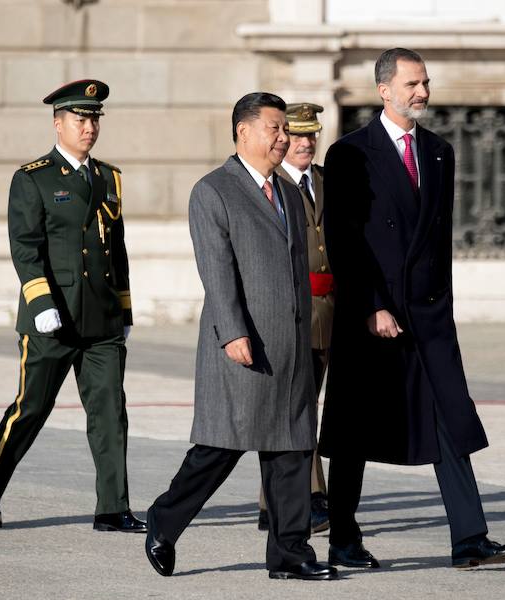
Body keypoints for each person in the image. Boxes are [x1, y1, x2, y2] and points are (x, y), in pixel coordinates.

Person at [320, 48, 505, 569]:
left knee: (449, 418)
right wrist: (371, 306)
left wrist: (442, 308)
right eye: (412, 84)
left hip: (427, 316)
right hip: (373, 317)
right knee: (355, 431)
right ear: (384, 90)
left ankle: (470, 540)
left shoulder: (438, 150)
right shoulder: (349, 154)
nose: (422, 93)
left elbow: (441, 241)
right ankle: (342, 537)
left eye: (426, 83)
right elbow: (344, 241)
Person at [144, 92, 337, 581]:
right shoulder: (214, 191)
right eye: (274, 128)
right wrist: (232, 332)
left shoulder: (291, 192)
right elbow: (217, 271)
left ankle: (291, 555)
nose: (283, 138)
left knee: (292, 450)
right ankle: (164, 523)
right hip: (243, 344)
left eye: (284, 130)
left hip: (290, 344)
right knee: (220, 449)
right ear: (243, 131)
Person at [0, 79, 145, 533]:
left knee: (110, 411)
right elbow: (24, 247)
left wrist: (124, 309)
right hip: (53, 317)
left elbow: (116, 249)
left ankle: (112, 507)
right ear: (58, 123)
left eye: (94, 120)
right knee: (31, 409)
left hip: (101, 318)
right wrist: (41, 301)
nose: (89, 128)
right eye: (80, 119)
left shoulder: (108, 177)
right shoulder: (33, 178)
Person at [255, 102, 331, 534]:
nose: (304, 144)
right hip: (294, 311)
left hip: (331, 312)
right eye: (296, 136)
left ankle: (272, 504)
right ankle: (312, 497)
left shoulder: (324, 181)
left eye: (310, 136)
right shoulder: (272, 185)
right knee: (299, 410)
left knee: (307, 408)